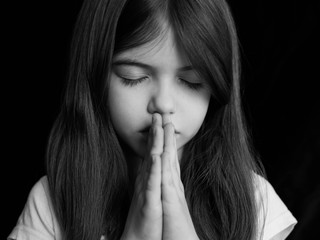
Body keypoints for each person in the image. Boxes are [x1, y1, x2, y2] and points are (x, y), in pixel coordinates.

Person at [8, 0, 297, 239]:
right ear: (95, 76)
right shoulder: (54, 201)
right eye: (133, 77)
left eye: (191, 81)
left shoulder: (255, 202)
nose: (163, 103)